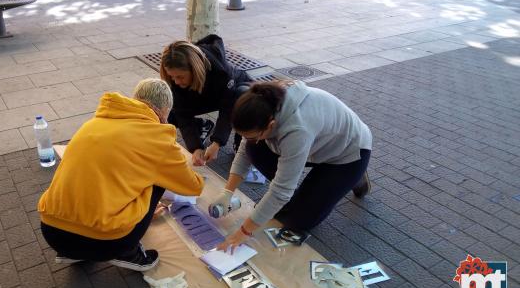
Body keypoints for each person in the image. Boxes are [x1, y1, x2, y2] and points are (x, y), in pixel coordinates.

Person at [38, 79, 205, 271]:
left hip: (52, 233)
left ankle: (72, 253)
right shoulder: (157, 138)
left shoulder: (93, 123)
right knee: (158, 180)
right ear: (163, 112)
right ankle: (128, 253)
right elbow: (194, 186)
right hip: (107, 243)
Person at [215, 80, 372, 252]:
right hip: (317, 145)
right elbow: (245, 149)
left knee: (298, 220)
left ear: (271, 125)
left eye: (254, 135)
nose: (248, 139)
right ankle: (319, 185)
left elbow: (280, 191)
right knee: (253, 148)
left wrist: (245, 231)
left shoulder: (297, 129)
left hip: (349, 153)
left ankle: (354, 175)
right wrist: (227, 192)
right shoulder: (262, 106)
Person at [160, 34, 252, 166]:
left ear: (194, 69)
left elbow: (227, 109)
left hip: (235, 91)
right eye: (172, 77)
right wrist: (195, 147)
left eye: (180, 77)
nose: (176, 81)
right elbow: (183, 115)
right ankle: (202, 126)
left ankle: (241, 139)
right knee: (169, 111)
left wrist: (217, 142)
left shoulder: (220, 71)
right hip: (201, 94)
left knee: (242, 100)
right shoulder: (175, 81)